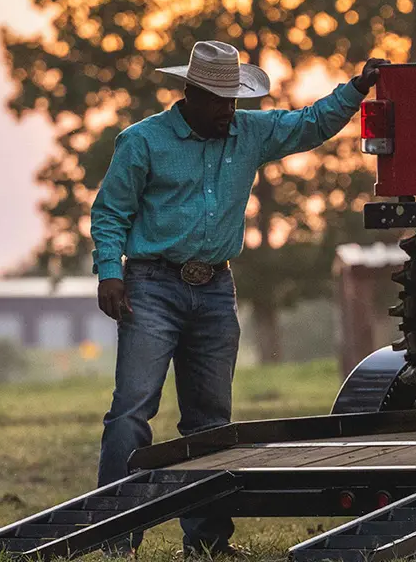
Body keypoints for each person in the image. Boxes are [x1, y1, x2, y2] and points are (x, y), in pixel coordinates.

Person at [90, 40, 386, 557]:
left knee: (210, 420)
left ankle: (205, 542)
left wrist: (357, 89)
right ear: (190, 93)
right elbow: (109, 212)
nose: (229, 110)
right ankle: (114, 537)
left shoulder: (249, 132)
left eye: (234, 99)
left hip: (215, 291)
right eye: (219, 100)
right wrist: (108, 273)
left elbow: (309, 124)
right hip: (151, 287)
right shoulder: (141, 142)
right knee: (132, 412)